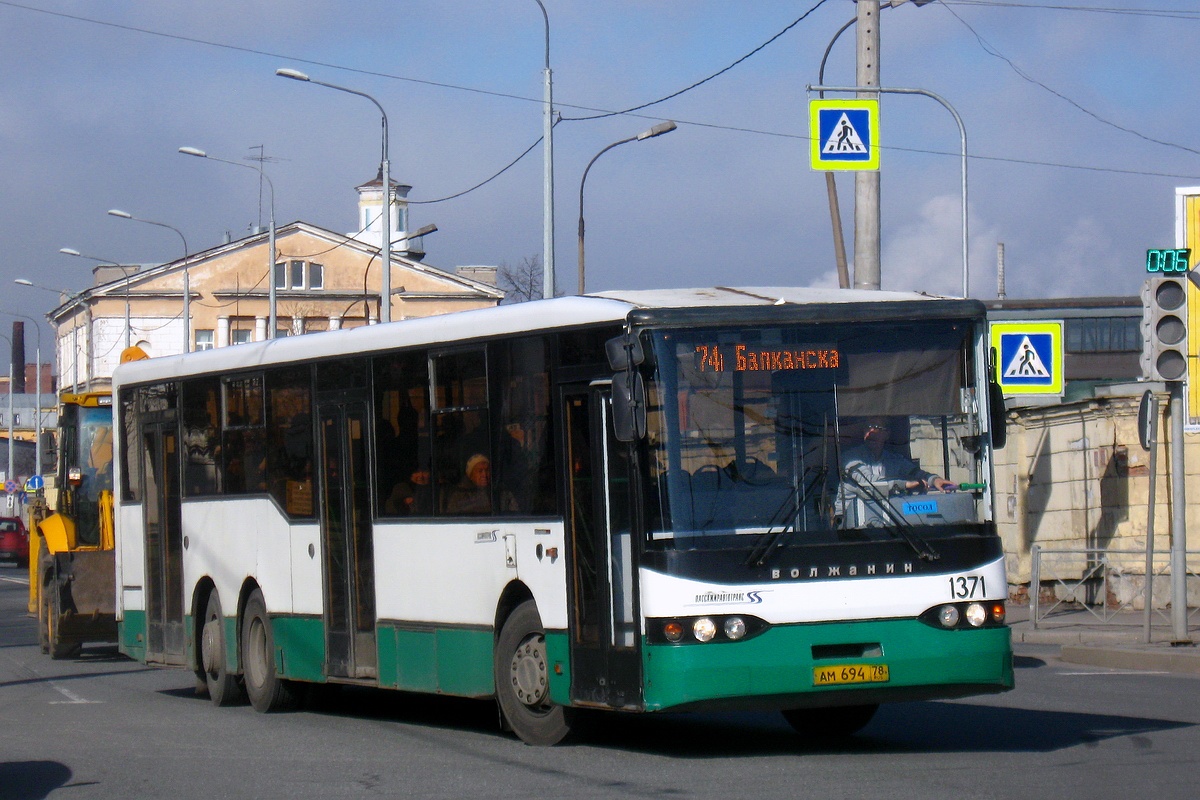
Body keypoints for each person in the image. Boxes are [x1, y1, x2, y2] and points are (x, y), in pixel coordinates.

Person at [840, 417, 956, 494]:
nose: (870, 432)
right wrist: (905, 484)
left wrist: (934, 480)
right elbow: (869, 482)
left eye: (876, 428)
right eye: (867, 427)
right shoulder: (850, 458)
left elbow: (916, 472)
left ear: (887, 434)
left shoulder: (894, 459)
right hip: (850, 523)